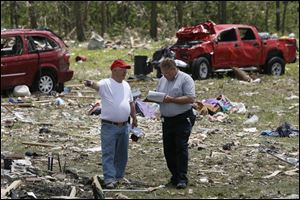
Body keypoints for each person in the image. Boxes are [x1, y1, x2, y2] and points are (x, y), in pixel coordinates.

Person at [84, 59, 138, 189]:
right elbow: (97, 85)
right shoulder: (106, 83)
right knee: (108, 153)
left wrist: (134, 117)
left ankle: (118, 176)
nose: (125, 71)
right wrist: (90, 83)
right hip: (109, 125)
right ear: (114, 70)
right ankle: (109, 178)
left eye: (126, 69)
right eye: (123, 69)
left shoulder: (126, 85)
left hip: (124, 125)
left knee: (122, 153)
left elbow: (130, 102)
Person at [156, 58, 196, 189]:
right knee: (168, 149)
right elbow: (159, 95)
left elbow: (190, 98)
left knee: (180, 147)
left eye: (167, 73)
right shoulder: (162, 80)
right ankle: (174, 175)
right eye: (163, 73)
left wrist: (172, 100)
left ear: (173, 69)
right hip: (167, 120)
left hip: (182, 118)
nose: (165, 76)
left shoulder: (185, 79)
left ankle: (182, 178)